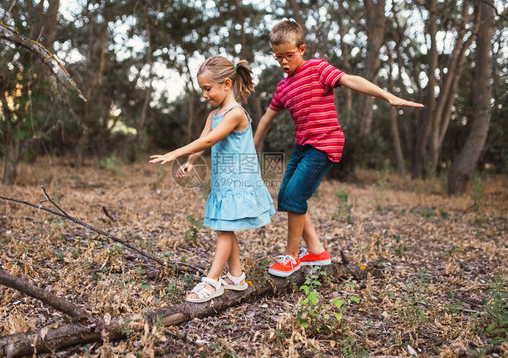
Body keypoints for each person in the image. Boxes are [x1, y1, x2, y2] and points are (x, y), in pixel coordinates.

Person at [254, 20, 424, 277]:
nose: (284, 62)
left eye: (289, 55)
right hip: (303, 146)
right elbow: (267, 118)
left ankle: (291, 256)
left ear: (301, 49)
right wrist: (251, 148)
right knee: (288, 195)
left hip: (324, 144)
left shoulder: (317, 68)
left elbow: (350, 79)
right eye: (278, 57)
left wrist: (387, 95)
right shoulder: (282, 87)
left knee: (294, 196)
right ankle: (316, 251)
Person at [150, 55, 276, 302]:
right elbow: (202, 141)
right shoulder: (214, 114)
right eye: (202, 90)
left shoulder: (236, 113)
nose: (205, 95)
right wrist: (189, 162)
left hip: (238, 180)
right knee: (224, 227)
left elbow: (210, 140)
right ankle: (237, 277)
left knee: (224, 230)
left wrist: (175, 152)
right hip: (223, 181)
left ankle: (212, 281)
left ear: (227, 84)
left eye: (208, 88)